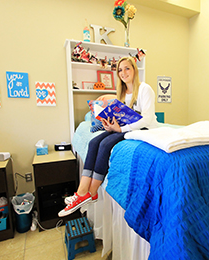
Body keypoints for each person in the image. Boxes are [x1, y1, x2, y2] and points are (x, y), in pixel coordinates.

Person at [58, 56, 159, 217]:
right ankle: (82, 191)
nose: (123, 72)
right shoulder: (121, 93)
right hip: (125, 127)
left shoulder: (145, 89)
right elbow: (119, 116)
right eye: (120, 70)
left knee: (105, 145)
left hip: (143, 128)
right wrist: (109, 125)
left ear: (134, 70)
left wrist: (120, 129)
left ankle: (90, 192)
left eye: (127, 68)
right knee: (94, 142)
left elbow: (146, 118)